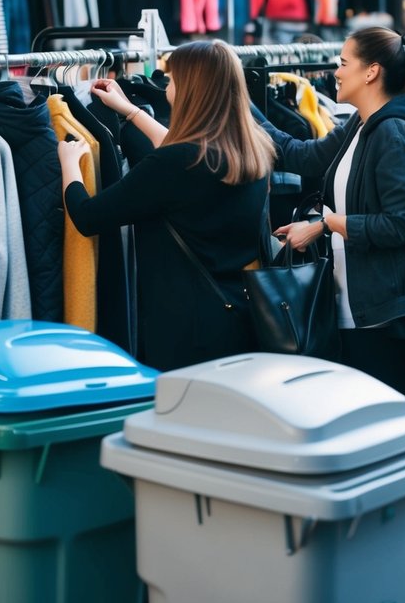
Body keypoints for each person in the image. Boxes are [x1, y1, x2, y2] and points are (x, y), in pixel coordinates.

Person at [58, 39, 276, 371]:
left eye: (172, 80)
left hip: (183, 328)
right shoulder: (254, 149)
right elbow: (182, 155)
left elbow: (88, 217)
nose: (167, 86)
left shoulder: (178, 163)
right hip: (237, 314)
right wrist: (130, 111)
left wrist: (70, 163)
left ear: (191, 89)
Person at [262, 27, 405, 395]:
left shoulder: (394, 132)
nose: (335, 71)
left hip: (391, 315)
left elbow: (402, 224)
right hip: (366, 306)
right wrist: (241, 102)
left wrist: (327, 222)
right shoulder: (362, 124)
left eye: (344, 63)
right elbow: (303, 155)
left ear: (371, 72)